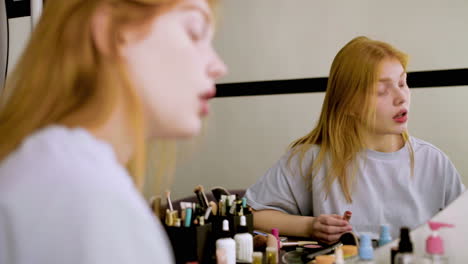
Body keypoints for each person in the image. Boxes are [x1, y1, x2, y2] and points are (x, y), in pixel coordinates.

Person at [0, 0, 226, 263]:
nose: (218, 66)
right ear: (111, 31)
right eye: (194, 32)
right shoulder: (86, 198)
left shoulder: (49, 169)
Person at [244, 36, 465, 244]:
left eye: (402, 83)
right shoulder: (312, 158)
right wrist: (310, 226)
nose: (401, 97)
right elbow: (252, 214)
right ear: (349, 104)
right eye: (381, 90)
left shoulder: (434, 162)